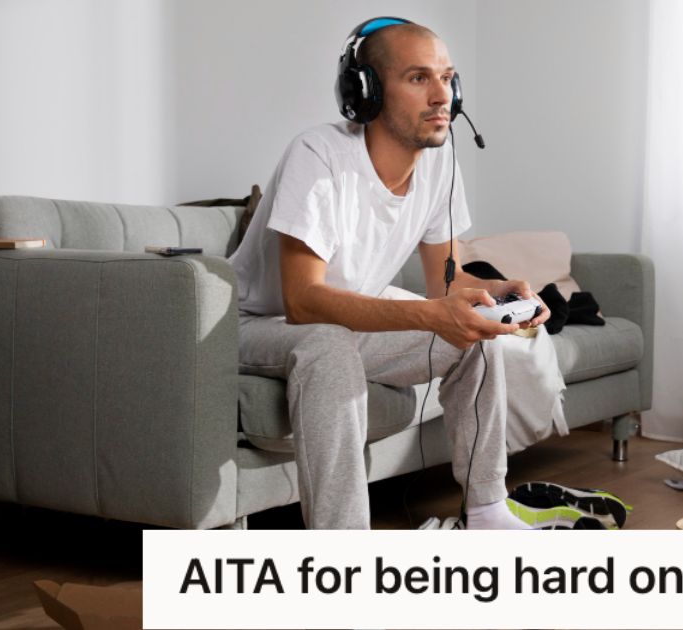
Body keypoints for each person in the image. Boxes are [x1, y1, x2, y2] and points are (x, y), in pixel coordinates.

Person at [228, 17, 550, 530]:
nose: (441, 95)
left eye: (447, 78)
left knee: (478, 326)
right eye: (419, 78)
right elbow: (303, 302)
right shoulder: (319, 156)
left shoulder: (440, 166)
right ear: (366, 91)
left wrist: (496, 291)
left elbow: (445, 282)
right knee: (326, 343)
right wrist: (429, 316)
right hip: (256, 326)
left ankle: (487, 510)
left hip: (345, 324)